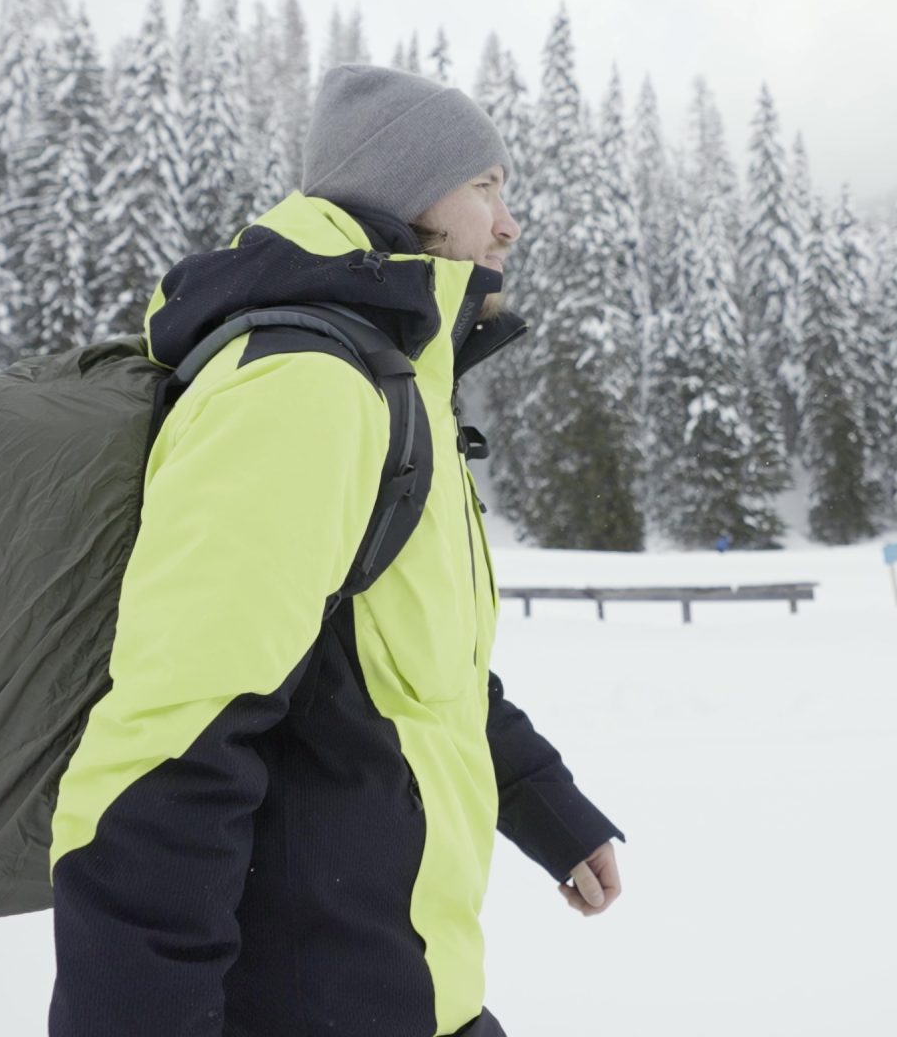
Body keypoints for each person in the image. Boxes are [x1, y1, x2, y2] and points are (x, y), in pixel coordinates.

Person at [48, 65, 625, 1037]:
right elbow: (169, 740)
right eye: (484, 186)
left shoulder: (391, 388)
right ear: (404, 193)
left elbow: (411, 668)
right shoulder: (300, 391)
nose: (508, 222)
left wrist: (541, 803)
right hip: (307, 1003)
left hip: (409, 988)